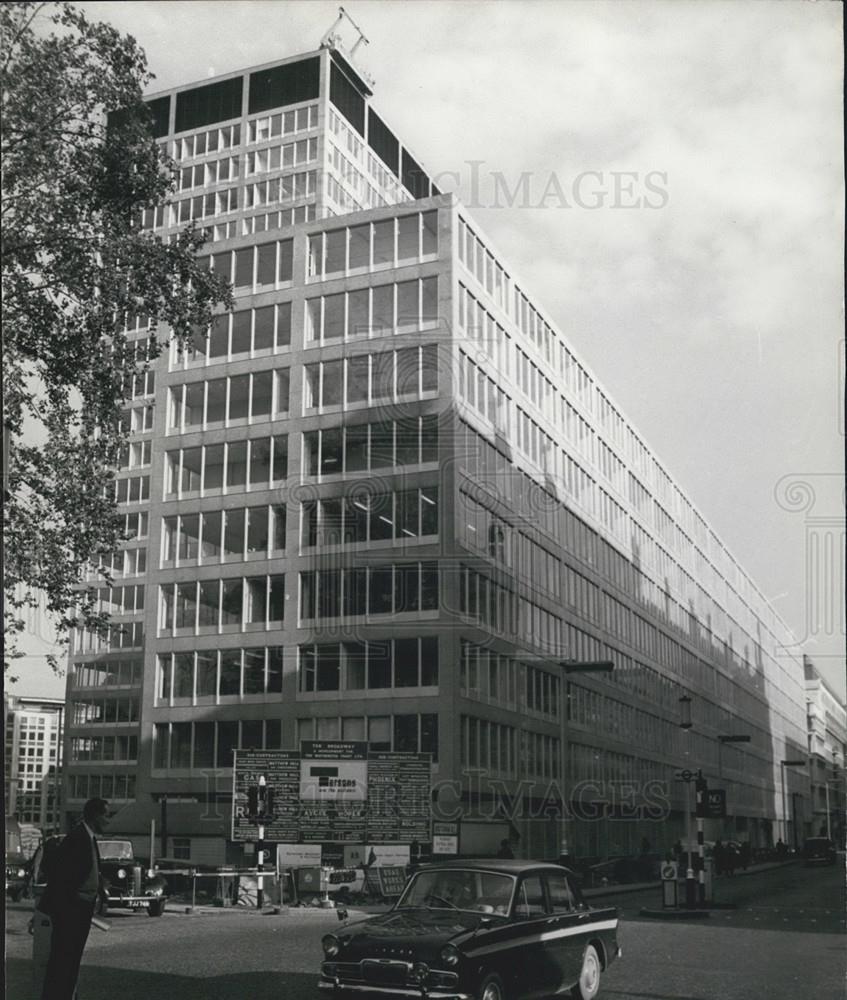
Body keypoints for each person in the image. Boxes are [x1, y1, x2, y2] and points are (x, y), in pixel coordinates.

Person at [38, 798, 110, 1000]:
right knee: (63, 962)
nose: (108, 821)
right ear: (95, 816)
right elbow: (62, 876)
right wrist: (68, 909)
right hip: (72, 911)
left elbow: (81, 869)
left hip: (80, 909)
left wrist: (98, 882)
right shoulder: (78, 838)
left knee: (69, 962)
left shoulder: (88, 837)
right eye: (106, 815)